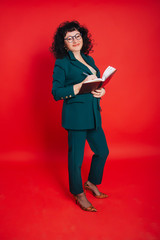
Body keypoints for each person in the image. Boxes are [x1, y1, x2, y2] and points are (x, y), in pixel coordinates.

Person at [50, 20, 109, 212]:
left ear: (83, 37)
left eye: (77, 36)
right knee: (75, 160)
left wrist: (100, 92)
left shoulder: (88, 59)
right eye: (69, 38)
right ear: (64, 43)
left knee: (102, 151)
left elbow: (95, 84)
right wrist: (80, 85)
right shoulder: (62, 64)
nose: (75, 40)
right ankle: (78, 193)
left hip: (93, 114)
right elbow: (57, 92)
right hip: (76, 118)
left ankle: (91, 182)